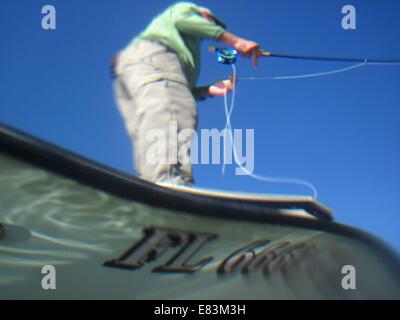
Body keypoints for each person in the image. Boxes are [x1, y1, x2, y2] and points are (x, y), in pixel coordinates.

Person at [113, 2, 260, 185]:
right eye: (214, 23)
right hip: (153, 58)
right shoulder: (188, 9)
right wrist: (235, 41)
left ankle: (151, 184)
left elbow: (174, 89)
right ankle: (170, 183)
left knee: (147, 130)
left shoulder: (183, 42)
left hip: (130, 74)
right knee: (172, 116)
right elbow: (183, 20)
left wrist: (208, 90)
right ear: (205, 14)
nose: (213, 30)